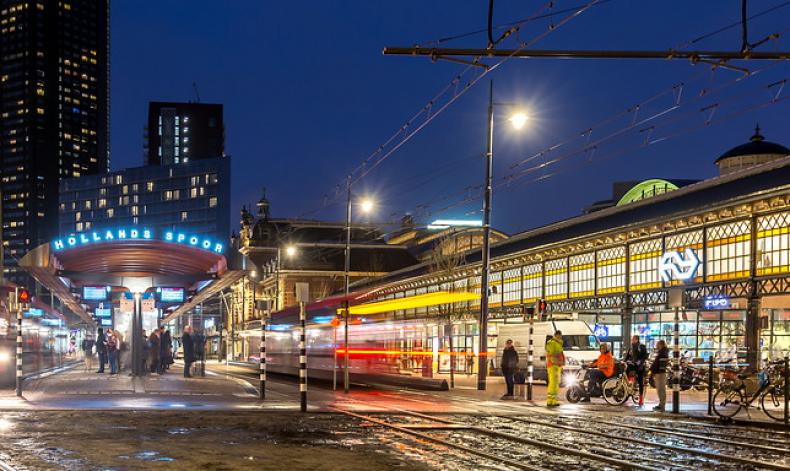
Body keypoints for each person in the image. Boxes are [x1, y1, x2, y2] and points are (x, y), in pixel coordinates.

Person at [623, 334, 649, 406]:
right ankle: (629, 385)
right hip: (632, 365)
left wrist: (640, 363)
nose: (632, 340)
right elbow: (627, 357)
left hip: (640, 366)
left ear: (637, 340)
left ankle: (641, 398)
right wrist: (624, 362)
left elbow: (644, 356)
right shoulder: (631, 347)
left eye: (633, 339)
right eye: (632, 339)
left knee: (640, 381)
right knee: (625, 372)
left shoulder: (642, 347)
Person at [546, 330, 565, 407]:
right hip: (554, 366)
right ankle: (552, 401)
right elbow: (552, 355)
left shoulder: (557, 343)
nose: (560, 337)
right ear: (556, 335)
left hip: (556, 366)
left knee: (555, 384)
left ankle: (552, 400)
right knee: (553, 384)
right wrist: (558, 362)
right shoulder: (552, 343)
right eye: (559, 335)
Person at [650, 340, 670, 412]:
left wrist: (652, 370)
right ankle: (661, 405)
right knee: (660, 390)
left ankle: (662, 406)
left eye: (657, 344)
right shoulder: (663, 352)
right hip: (660, 373)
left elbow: (657, 364)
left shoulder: (662, 353)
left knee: (661, 390)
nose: (656, 346)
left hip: (660, 374)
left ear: (660, 345)